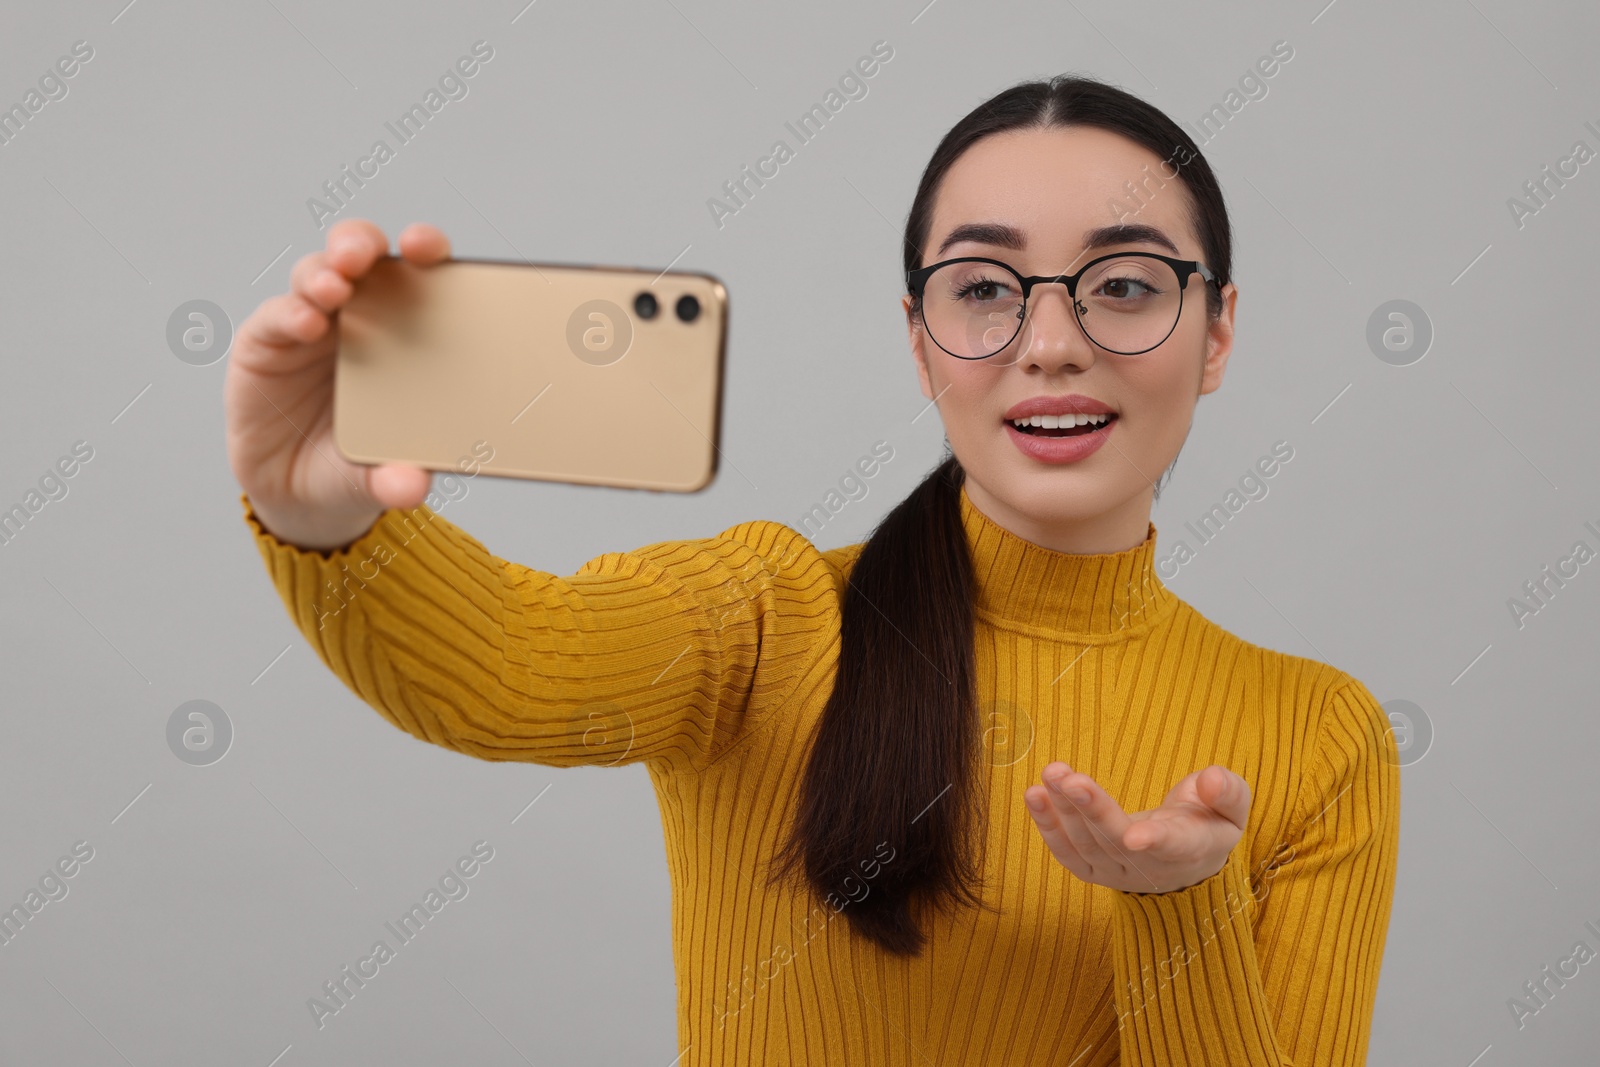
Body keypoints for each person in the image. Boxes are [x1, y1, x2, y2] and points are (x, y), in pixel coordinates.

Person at [227, 74, 1399, 1066]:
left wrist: (1174, 902)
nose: (1051, 342)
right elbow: (510, 667)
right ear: (917, 336)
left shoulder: (1318, 735)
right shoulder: (768, 615)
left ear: (1219, 333)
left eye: (1127, 285)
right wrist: (320, 514)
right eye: (984, 289)